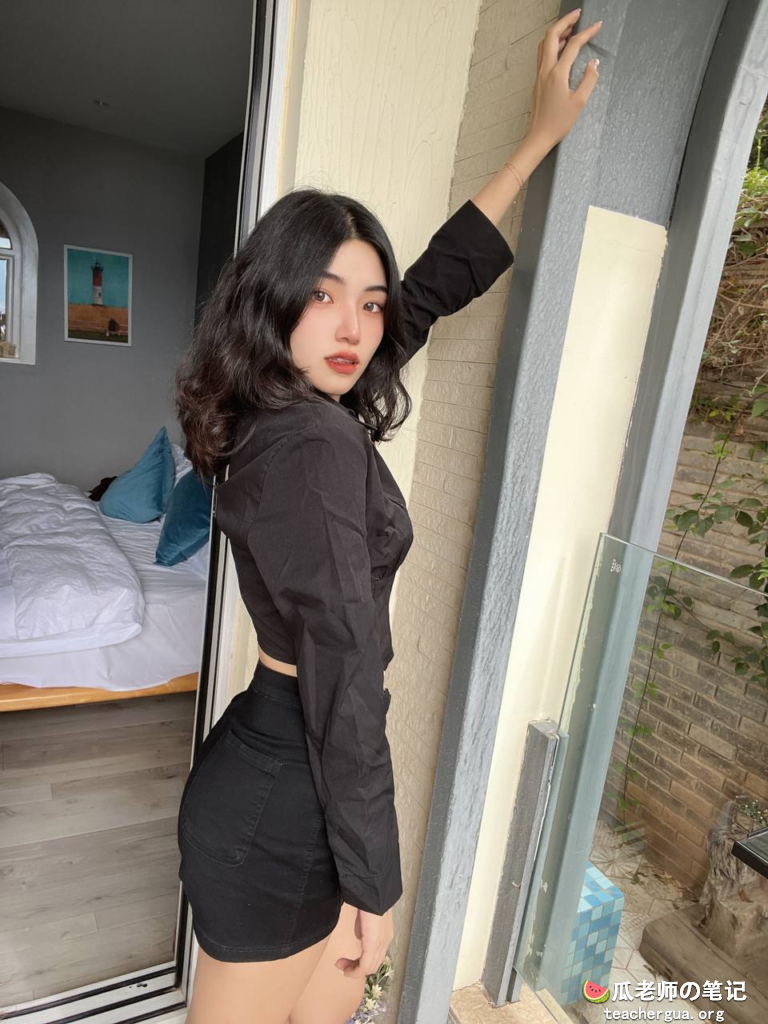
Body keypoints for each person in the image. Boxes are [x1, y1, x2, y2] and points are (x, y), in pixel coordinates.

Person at [173, 11, 602, 1023]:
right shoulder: (313, 440)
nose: (358, 326)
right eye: (326, 296)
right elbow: (344, 666)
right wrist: (378, 879)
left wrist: (534, 143)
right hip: (287, 805)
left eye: (367, 303)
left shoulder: (274, 405)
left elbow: (425, 295)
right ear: (274, 299)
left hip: (281, 781)